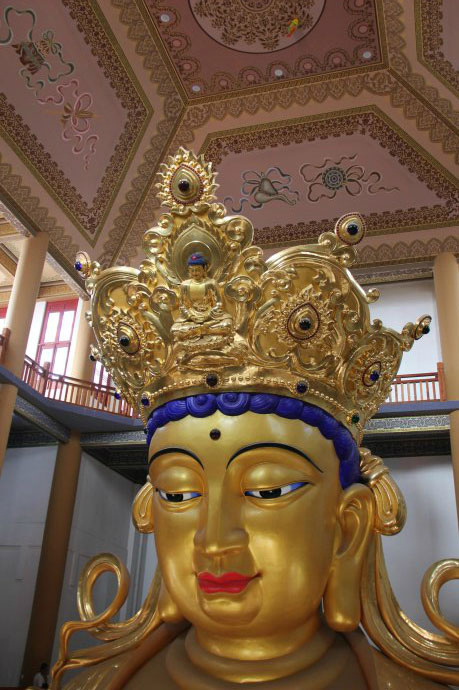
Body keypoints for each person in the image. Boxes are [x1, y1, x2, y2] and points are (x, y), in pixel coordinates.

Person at [52, 149, 458, 689]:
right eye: (178, 493)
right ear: (149, 511)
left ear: (348, 527)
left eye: (267, 490)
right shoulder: (91, 682)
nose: (214, 540)